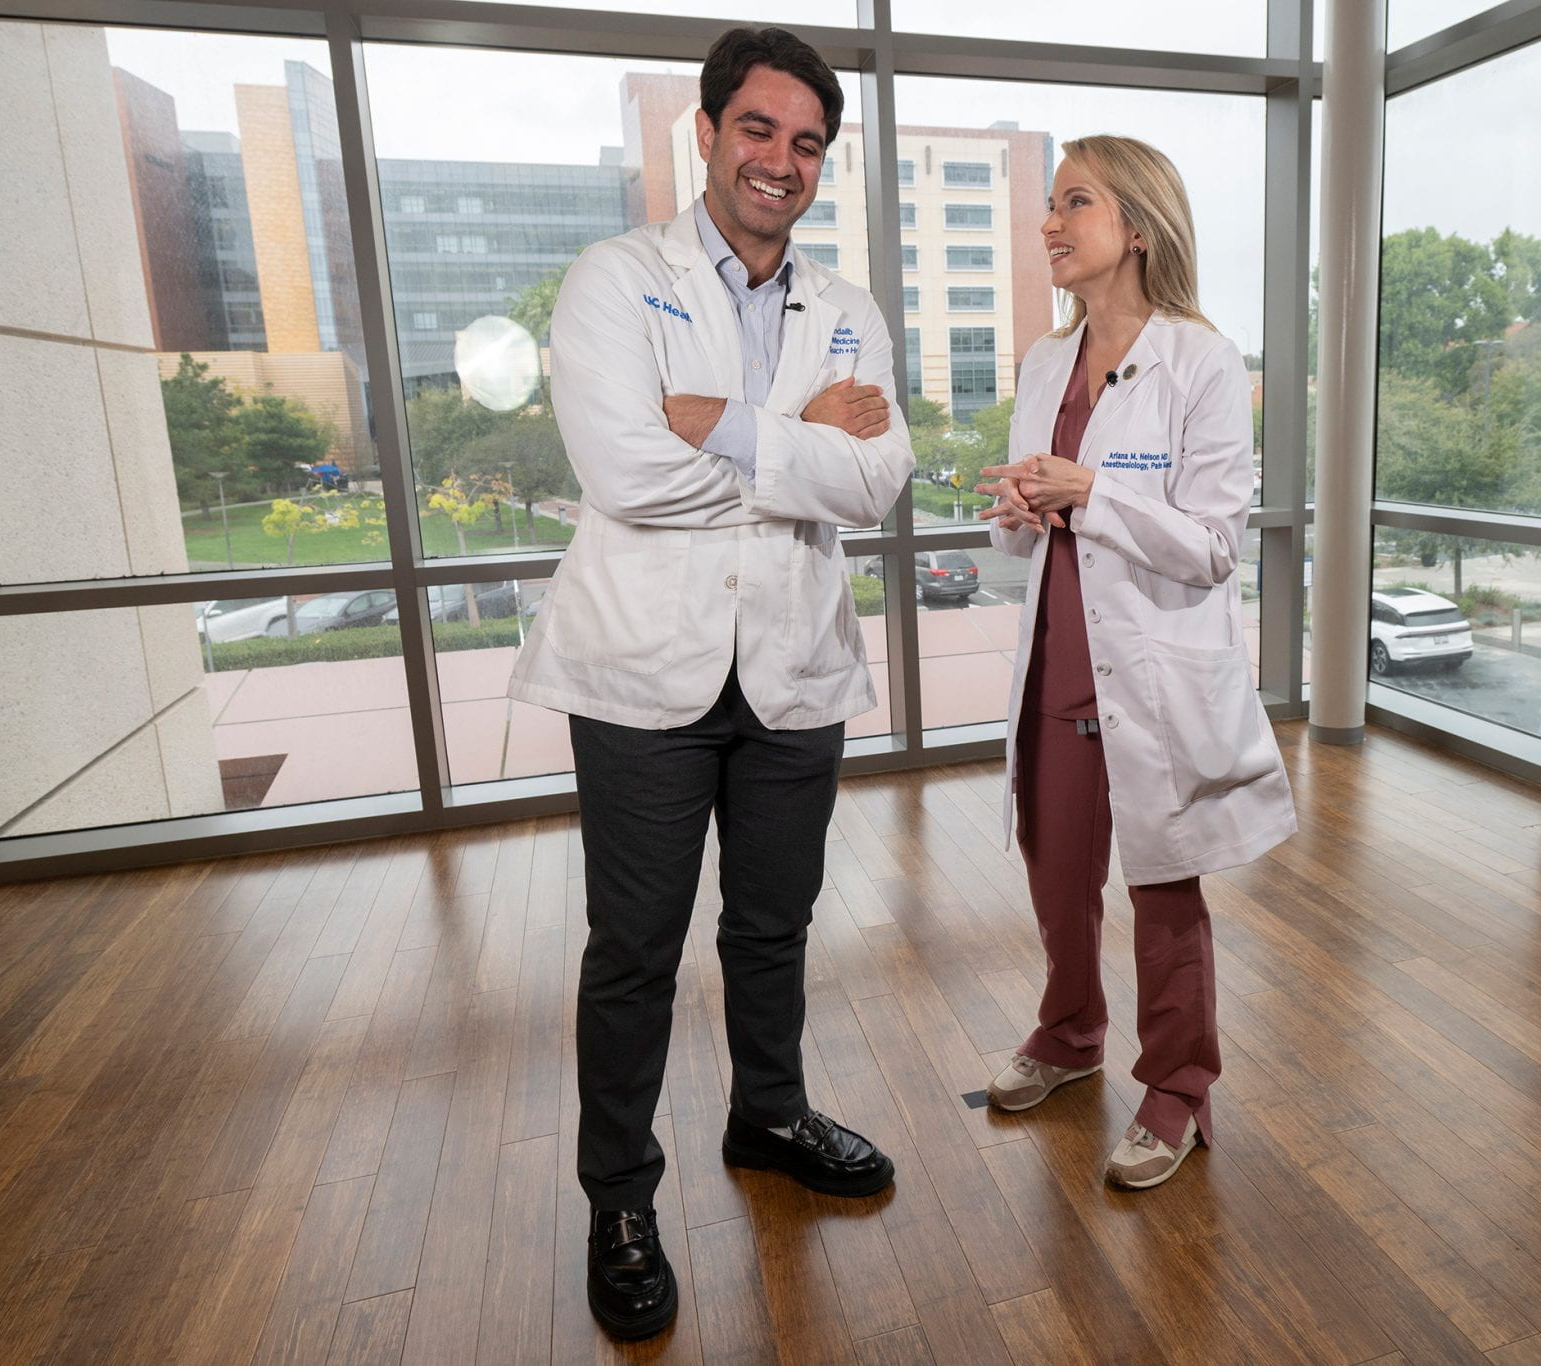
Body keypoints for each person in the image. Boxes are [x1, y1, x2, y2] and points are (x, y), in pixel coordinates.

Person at [507, 27, 913, 1340]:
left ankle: (768, 1115)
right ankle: (620, 1197)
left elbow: (879, 481)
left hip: (792, 665)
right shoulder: (618, 280)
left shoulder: (848, 310)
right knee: (634, 948)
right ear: (707, 130)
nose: (779, 160)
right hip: (643, 676)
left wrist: (721, 425)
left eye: (807, 143)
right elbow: (626, 473)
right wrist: (800, 446)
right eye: (758, 128)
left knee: (773, 924)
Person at [976, 136, 1296, 1190]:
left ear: (1139, 227)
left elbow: (1212, 545)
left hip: (1153, 680)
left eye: (1074, 202)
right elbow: (1021, 543)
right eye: (1050, 204)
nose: (1050, 224)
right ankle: (1070, 1035)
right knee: (1056, 875)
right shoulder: (1043, 361)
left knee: (1163, 894)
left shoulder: (1201, 361)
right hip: (1056, 668)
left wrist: (1090, 493)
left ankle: (1178, 1087)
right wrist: (1018, 511)